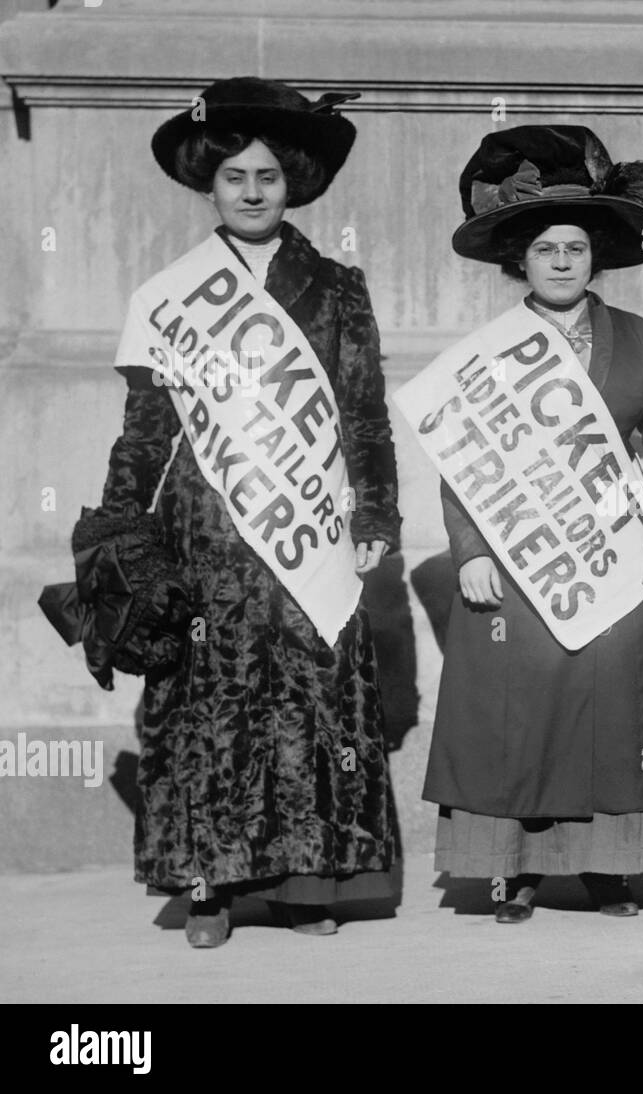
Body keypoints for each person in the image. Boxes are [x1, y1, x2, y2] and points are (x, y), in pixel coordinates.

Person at [101, 77, 402, 946]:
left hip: (311, 529)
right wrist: (122, 532)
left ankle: (309, 886)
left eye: (267, 175)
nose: (252, 191)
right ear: (210, 185)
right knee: (209, 709)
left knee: (309, 705)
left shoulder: (340, 288)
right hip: (207, 533)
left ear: (293, 182)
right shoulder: (169, 297)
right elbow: (144, 434)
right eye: (235, 177)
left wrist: (375, 514)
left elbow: (365, 416)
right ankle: (209, 890)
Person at [423, 125, 643, 923]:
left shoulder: (642, 342)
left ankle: (614, 868)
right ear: (520, 261)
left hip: (616, 553)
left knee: (618, 706)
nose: (560, 262)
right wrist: (470, 551)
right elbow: (461, 458)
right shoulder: (489, 351)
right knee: (527, 709)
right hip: (521, 554)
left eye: (575, 248)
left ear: (596, 257)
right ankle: (516, 871)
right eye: (544, 249)